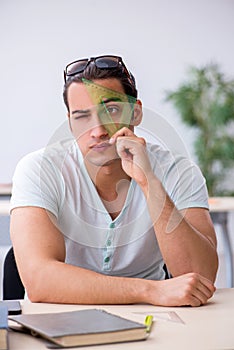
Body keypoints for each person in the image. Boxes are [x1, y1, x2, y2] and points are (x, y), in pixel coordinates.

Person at [10, 55, 218, 307]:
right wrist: (150, 291)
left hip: (156, 318)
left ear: (136, 112)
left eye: (111, 110)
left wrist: (149, 181)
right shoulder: (39, 168)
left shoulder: (179, 171)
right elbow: (41, 280)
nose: (98, 130)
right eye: (82, 116)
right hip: (62, 312)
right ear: (70, 123)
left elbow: (201, 276)